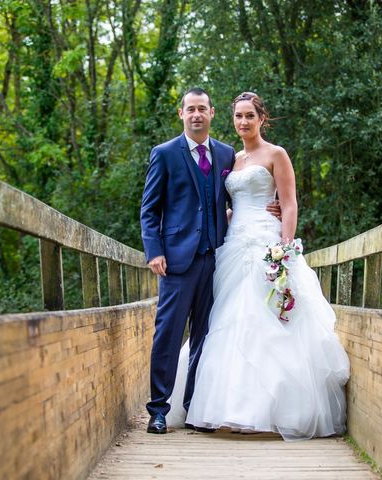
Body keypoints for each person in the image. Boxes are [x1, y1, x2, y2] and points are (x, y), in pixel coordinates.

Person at [167, 92, 350, 441]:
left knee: (266, 318)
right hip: (234, 243)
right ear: (232, 119)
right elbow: (229, 202)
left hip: (268, 245)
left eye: (250, 116)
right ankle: (226, 409)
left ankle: (272, 410)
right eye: (238, 116)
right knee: (226, 320)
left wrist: (284, 249)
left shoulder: (276, 154)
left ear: (262, 118)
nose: (243, 122)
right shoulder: (231, 159)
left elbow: (290, 204)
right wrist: (229, 216)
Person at [140, 88, 279, 434]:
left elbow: (226, 199)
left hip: (216, 257)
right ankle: (158, 409)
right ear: (181, 114)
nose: (197, 114)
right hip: (175, 260)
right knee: (168, 333)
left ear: (212, 113)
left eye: (203, 108)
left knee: (206, 334)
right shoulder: (165, 154)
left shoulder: (225, 154)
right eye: (191, 109)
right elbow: (149, 209)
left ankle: (193, 407)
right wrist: (154, 250)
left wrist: (269, 208)